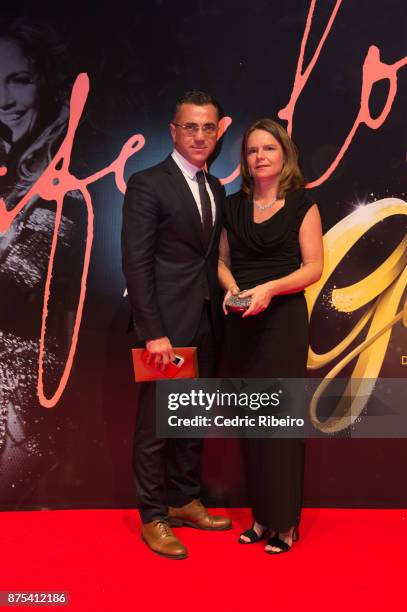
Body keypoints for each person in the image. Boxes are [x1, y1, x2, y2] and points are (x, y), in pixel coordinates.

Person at [122, 90, 231, 560]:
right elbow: (135, 262)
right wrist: (153, 331)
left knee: (191, 419)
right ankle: (153, 516)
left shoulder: (216, 188)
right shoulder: (148, 183)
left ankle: (185, 500)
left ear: (218, 130)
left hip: (207, 324)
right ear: (174, 131)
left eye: (208, 127)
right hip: (164, 328)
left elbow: (207, 260)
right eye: (191, 126)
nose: (200, 135)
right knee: (155, 426)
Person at [218, 118, 323, 554]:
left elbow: (313, 267)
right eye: (252, 150)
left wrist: (269, 289)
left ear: (285, 156)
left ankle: (286, 524)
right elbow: (222, 262)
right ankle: (263, 518)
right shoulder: (232, 206)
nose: (260, 157)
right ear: (245, 160)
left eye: (269, 149)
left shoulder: (303, 204)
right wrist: (231, 290)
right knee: (252, 424)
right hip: (242, 323)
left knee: (279, 423)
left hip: (282, 321)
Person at [0, 18, 81, 495]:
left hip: (18, 378)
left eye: (19, 80)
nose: (4, 98)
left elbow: (16, 282)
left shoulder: (70, 179)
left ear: (46, 82)